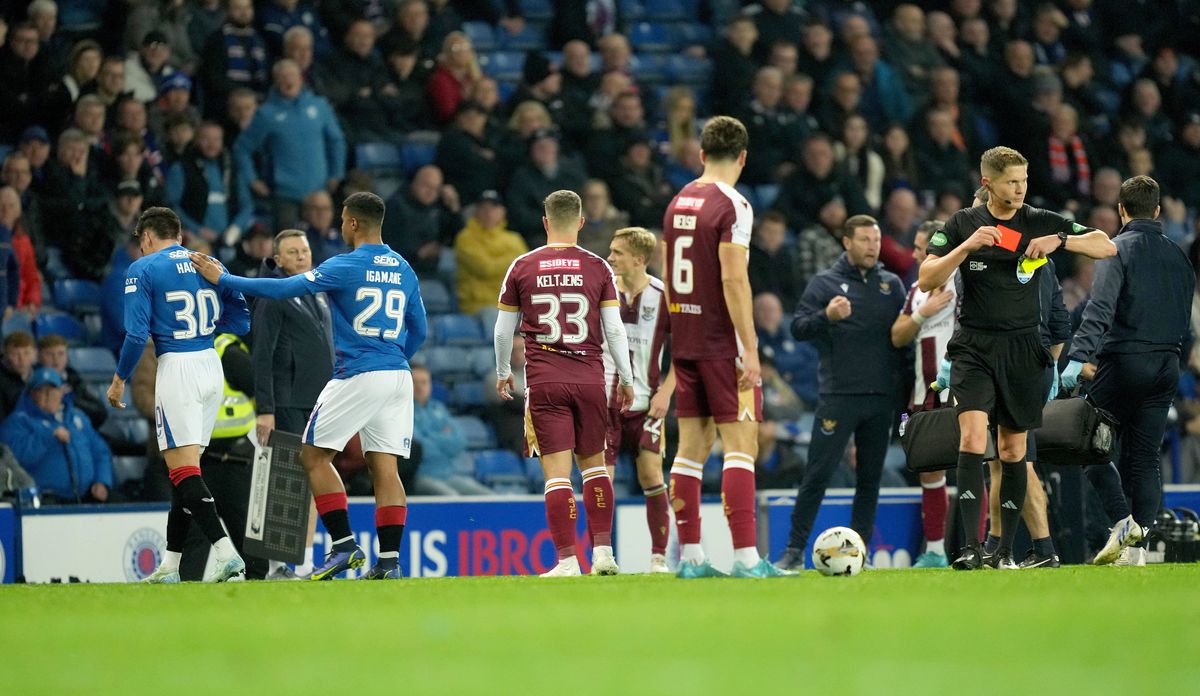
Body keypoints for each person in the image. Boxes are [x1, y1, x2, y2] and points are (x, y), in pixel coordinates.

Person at [192, 192, 427, 581]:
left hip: (359, 373)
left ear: (352, 223)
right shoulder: (404, 268)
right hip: (398, 374)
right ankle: (388, 561)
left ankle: (343, 546)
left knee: (312, 457)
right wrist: (393, 356)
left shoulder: (345, 265)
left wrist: (225, 279)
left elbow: (283, 289)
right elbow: (419, 328)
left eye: (342, 219)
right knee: (385, 467)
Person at [918, 146, 1116, 569]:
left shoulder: (1038, 220)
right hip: (973, 346)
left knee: (1011, 451)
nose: (1020, 189)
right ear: (988, 182)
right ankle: (970, 548)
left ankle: (1004, 550)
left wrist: (1060, 240)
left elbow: (1105, 246)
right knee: (972, 439)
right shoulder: (962, 223)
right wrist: (965, 248)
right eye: (1012, 181)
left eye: (1024, 180)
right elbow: (925, 278)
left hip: (1023, 350)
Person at [661, 116, 788, 578]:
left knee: (691, 448)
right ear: (742, 157)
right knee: (740, 444)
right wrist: (750, 349)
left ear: (700, 154)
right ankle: (746, 559)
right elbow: (734, 279)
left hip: (686, 339)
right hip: (721, 341)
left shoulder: (679, 201)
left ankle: (691, 559)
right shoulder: (733, 205)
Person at [493, 190, 635, 577]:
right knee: (594, 469)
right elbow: (615, 330)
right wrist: (626, 376)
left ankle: (567, 561)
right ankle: (604, 553)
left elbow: (503, 331)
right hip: (590, 378)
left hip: (545, 381)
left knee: (557, 475)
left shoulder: (522, 266)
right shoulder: (598, 268)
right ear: (581, 223)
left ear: (545, 222)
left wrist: (503, 369)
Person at [108, 207, 251, 583]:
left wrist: (120, 378)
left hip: (178, 368)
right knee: (183, 471)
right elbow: (242, 320)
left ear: (146, 238)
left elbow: (137, 335)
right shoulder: (208, 261)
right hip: (210, 364)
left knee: (183, 469)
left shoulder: (143, 268)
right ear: (180, 235)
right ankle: (170, 565)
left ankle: (225, 552)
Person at [1062, 175, 1195, 566]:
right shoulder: (1179, 257)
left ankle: (1122, 520)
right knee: (1145, 458)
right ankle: (1136, 550)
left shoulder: (1116, 250)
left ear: (1121, 210)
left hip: (1124, 361)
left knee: (1089, 444)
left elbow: (1099, 309)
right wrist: (1176, 361)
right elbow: (1185, 323)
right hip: (1167, 365)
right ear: (1157, 211)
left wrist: (1077, 356)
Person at [775, 215, 906, 571]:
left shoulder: (891, 285)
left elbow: (903, 339)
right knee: (817, 474)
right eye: (864, 239)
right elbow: (799, 327)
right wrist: (827, 316)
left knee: (869, 480)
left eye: (876, 240)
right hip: (839, 396)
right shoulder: (824, 283)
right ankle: (792, 551)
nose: (872, 246)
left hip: (880, 399)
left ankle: (859, 555)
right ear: (846, 242)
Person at [603, 227, 673, 573]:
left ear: (639, 259)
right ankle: (602, 555)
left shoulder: (663, 296)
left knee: (650, 473)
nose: (611, 257)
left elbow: (687, 354)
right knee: (601, 478)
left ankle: (659, 558)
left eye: (617, 252)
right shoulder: (601, 292)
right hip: (604, 405)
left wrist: (667, 392)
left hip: (647, 404)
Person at [890, 220, 957, 568]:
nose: (915, 254)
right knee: (930, 472)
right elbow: (897, 335)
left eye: (921, 248)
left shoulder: (964, 281)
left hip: (962, 391)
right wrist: (922, 313)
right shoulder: (916, 289)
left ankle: (979, 546)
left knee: (977, 464)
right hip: (923, 393)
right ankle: (933, 552)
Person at [0, 367, 113, 504]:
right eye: (42, 391)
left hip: (86, 496)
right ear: (32, 394)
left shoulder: (77, 417)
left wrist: (102, 480)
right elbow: (16, 459)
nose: (48, 395)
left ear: (61, 392)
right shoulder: (18, 422)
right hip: (44, 499)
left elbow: (100, 452)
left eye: (53, 390)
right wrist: (48, 437)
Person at [411, 365, 491, 496]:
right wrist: (443, 437)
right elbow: (418, 449)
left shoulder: (439, 408)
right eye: (414, 382)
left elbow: (459, 442)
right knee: (452, 498)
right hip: (421, 476)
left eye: (424, 382)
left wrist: (429, 436)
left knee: (489, 497)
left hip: (448, 475)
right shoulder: (402, 411)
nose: (420, 387)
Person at [453, 191, 527, 315]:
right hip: (479, 306)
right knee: (496, 318)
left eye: (494, 208)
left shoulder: (514, 238)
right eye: (483, 208)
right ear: (476, 211)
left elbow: (527, 269)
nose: (488, 212)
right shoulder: (465, 238)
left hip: (514, 304)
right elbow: (485, 269)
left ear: (502, 212)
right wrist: (513, 260)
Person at [37, 334, 107, 429]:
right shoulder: (34, 381)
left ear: (67, 356)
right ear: (38, 357)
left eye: (61, 354)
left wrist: (70, 400)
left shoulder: (72, 377)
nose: (56, 359)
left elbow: (100, 412)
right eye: (49, 354)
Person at [0, 331, 37, 419]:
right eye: (15, 354)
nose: (22, 359)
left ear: (35, 354)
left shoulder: (41, 376)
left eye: (26, 353)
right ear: (5, 355)